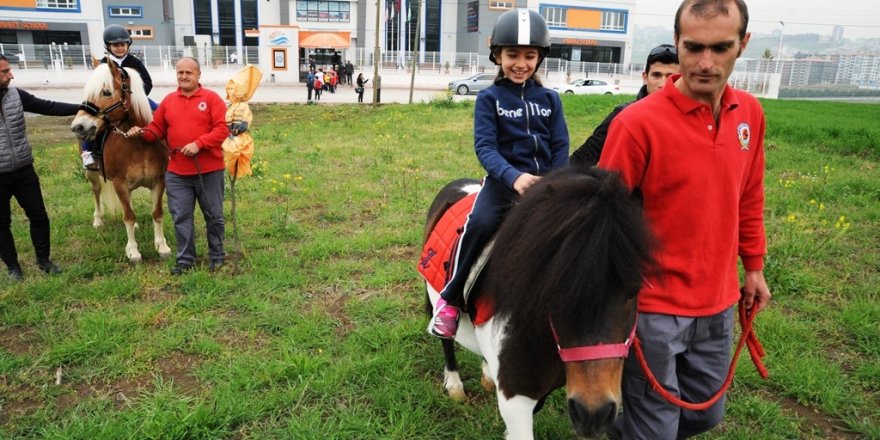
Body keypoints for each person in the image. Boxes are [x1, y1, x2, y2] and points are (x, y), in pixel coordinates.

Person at [598, 1, 772, 438]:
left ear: (742, 44)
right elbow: (603, 219)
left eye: (720, 47)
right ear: (677, 43)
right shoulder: (636, 124)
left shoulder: (749, 114)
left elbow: (748, 194)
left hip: (719, 299)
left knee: (704, 414)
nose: (706, 63)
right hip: (655, 306)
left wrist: (753, 268)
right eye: (693, 47)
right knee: (656, 424)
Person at [428, 9, 569, 339]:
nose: (521, 63)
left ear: (540, 58)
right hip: (504, 184)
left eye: (529, 56)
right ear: (497, 56)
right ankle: (450, 299)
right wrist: (514, 177)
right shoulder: (489, 98)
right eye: (512, 55)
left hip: (546, 185)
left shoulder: (551, 99)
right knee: (479, 224)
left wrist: (554, 181)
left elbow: (561, 145)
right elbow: (486, 148)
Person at [126, 57, 229, 275]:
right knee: (181, 216)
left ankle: (217, 255)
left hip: (209, 171)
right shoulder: (169, 101)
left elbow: (222, 129)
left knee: (214, 216)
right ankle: (185, 260)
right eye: (180, 72)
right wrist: (141, 133)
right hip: (177, 173)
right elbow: (156, 129)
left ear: (198, 75)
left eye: (188, 72)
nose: (184, 76)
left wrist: (199, 144)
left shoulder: (211, 99)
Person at [0, 54, 79, 280]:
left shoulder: (16, 95)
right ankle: (13, 267)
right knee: (1, 223)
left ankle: (44, 261)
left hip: (24, 170)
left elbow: (49, 107)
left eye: (9, 70)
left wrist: (82, 107)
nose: (10, 75)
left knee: (39, 216)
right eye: (4, 72)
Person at [569, 44, 679, 168]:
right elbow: (587, 154)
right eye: (656, 75)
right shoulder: (623, 114)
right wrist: (553, 180)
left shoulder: (696, 118)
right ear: (645, 77)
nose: (663, 84)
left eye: (671, 77)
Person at [81, 24, 156, 171]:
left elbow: (148, 82)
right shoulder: (103, 65)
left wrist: (137, 98)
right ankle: (87, 150)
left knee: (159, 110)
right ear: (108, 47)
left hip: (135, 100)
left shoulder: (135, 62)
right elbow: (98, 86)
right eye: (115, 45)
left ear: (128, 45)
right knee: (93, 119)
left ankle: (166, 147)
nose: (120, 48)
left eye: (123, 44)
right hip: (112, 102)